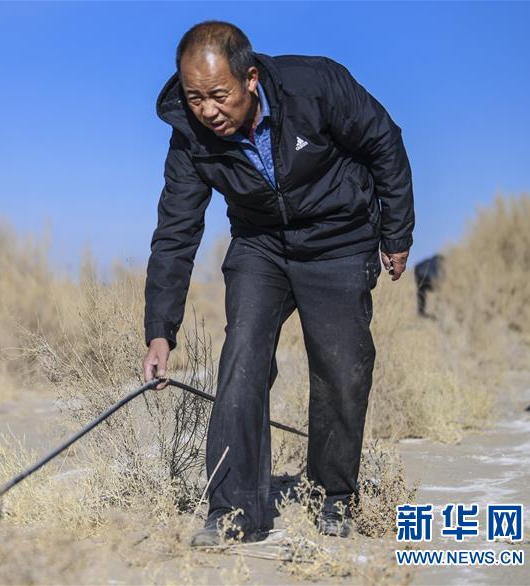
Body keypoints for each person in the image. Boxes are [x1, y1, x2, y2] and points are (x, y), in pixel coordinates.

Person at [141, 21, 414, 546]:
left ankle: (333, 496)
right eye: (194, 97)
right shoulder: (190, 135)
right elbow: (175, 232)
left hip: (339, 238)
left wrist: (396, 232)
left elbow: (385, 143)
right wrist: (160, 329)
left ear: (249, 78)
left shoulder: (315, 85)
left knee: (341, 365)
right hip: (261, 246)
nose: (207, 110)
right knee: (241, 358)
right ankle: (233, 509)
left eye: (217, 95)